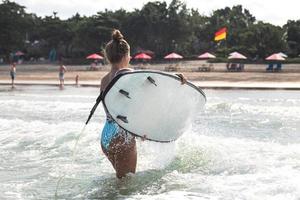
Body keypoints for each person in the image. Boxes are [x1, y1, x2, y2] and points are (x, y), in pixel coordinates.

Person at [100, 29, 187, 179]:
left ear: (108, 57)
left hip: (106, 136)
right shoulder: (126, 73)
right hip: (123, 135)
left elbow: (115, 109)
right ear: (126, 55)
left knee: (120, 181)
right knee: (125, 186)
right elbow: (151, 81)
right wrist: (174, 77)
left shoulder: (104, 79)